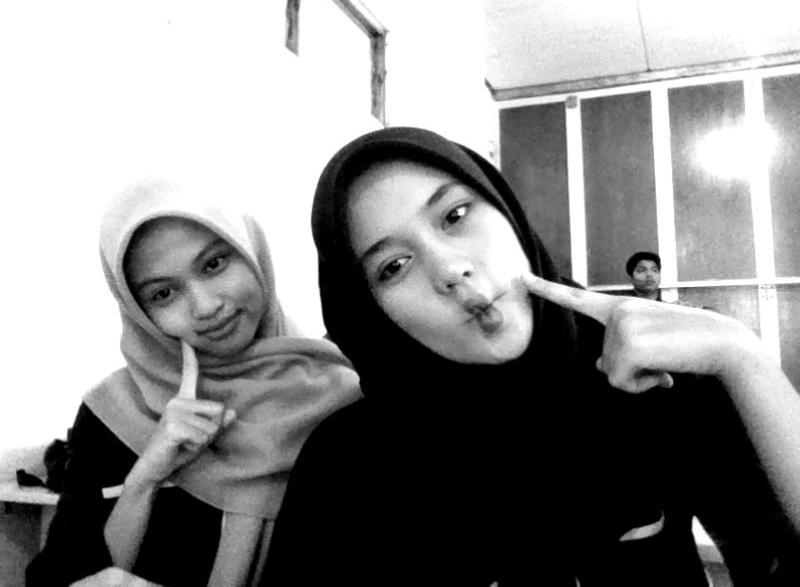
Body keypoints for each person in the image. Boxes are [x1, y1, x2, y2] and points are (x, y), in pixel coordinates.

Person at [261, 127, 800, 586]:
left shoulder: (652, 378)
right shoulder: (350, 463)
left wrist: (744, 359)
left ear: (507, 212)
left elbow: (774, 555)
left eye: (455, 215)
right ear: (370, 311)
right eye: (393, 267)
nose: (449, 271)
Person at [26, 180, 362, 587]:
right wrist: (145, 478)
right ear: (138, 311)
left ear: (251, 252)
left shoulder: (347, 404)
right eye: (163, 293)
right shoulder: (115, 412)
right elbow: (53, 577)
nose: (205, 307)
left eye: (214, 264)